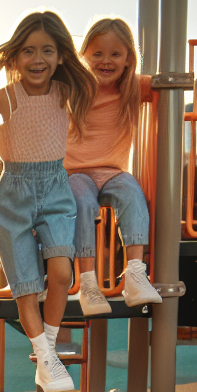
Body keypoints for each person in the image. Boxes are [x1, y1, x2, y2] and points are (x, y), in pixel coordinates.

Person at [0, 10, 97, 392]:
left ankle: (46, 351)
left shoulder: (65, 92)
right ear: (15, 57)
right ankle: (46, 356)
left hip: (55, 189)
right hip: (14, 195)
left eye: (47, 51)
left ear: (61, 56)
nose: (38, 60)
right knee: (27, 286)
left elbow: (107, 85)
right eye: (28, 51)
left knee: (62, 274)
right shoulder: (7, 96)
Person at [63, 17, 161, 316]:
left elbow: (169, 85)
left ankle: (135, 273)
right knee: (81, 203)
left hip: (113, 172)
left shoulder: (133, 87)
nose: (106, 61)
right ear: (84, 55)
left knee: (132, 193)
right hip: (76, 172)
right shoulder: (73, 86)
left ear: (128, 58)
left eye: (115, 54)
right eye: (97, 54)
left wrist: (179, 81)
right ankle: (88, 282)